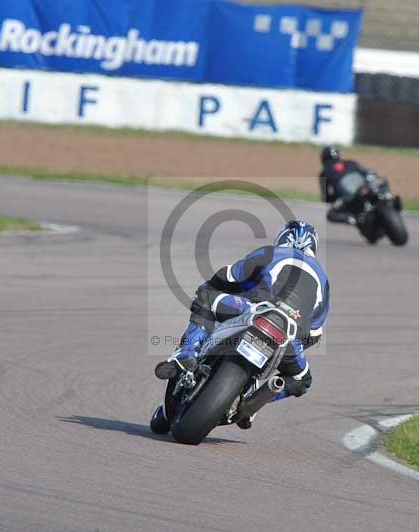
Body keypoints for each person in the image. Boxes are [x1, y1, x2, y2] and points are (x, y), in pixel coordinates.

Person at [153, 220, 329, 429]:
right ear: (314, 247)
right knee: (302, 380)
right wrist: (293, 342)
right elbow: (315, 332)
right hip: (289, 335)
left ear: (283, 237)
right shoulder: (324, 282)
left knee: (207, 297)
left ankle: (187, 353)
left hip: (255, 311)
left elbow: (228, 275)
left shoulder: (270, 253)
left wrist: (211, 287)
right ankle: (253, 403)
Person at [318, 145, 387, 225]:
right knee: (382, 181)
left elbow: (325, 197)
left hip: (348, 197)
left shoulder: (324, 172)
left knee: (330, 215)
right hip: (365, 187)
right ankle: (387, 197)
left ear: (323, 158)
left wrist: (336, 198)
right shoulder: (350, 162)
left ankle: (351, 219)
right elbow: (369, 173)